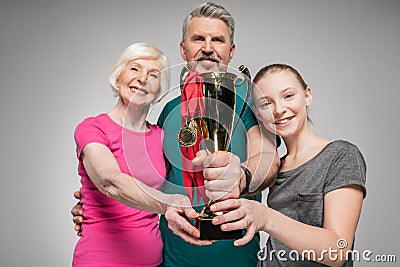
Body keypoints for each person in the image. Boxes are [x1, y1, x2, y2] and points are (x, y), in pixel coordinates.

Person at [72, 3, 280, 266]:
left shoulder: (249, 100)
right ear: (183, 49)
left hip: (237, 257)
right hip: (171, 259)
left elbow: (269, 160)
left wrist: (242, 178)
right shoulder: (168, 110)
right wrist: (91, 202)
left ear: (231, 51)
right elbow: (142, 175)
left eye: (217, 40)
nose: (208, 47)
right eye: (198, 39)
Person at [210, 63, 367, 266]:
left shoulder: (341, 155)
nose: (279, 110)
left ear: (307, 96)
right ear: (258, 114)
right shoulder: (275, 169)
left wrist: (265, 218)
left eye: (288, 96)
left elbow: (336, 252)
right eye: (266, 103)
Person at [72, 42, 195, 267]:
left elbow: (184, 181)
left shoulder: (162, 138)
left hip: (154, 262)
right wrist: (166, 204)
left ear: (159, 91)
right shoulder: (92, 129)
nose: (142, 78)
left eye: (153, 74)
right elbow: (110, 182)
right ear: (118, 78)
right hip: (100, 260)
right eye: (135, 68)